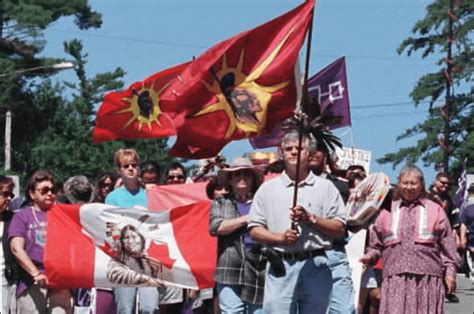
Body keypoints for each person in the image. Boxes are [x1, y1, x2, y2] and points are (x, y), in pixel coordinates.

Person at [248, 130, 347, 313]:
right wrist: (280, 238)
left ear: (309, 153)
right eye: (289, 149)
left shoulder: (326, 188)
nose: (294, 152)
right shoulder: (267, 189)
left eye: (299, 148)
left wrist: (312, 219)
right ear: (281, 153)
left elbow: (340, 228)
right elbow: (254, 229)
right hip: (281, 265)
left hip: (316, 264)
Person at [360, 165, 460, 314]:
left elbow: (447, 246)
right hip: (395, 280)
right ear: (398, 184)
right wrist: (369, 257)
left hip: (428, 281)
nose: (409, 187)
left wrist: (450, 273)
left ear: (422, 185)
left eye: (413, 183)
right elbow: (376, 246)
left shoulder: (435, 210)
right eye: (405, 183)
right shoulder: (386, 211)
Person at [9, 170, 73, 313]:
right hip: (32, 281)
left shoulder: (64, 215)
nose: (50, 193)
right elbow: (16, 248)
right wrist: (35, 273)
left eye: (53, 190)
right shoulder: (22, 216)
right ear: (32, 194)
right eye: (44, 190)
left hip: (60, 281)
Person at [106, 148, 159, 314]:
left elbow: (159, 224)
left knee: (149, 307)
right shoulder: (112, 197)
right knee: (125, 309)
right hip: (123, 262)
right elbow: (109, 229)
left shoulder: (151, 195)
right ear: (119, 170)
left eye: (134, 165)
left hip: (148, 260)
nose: (130, 168)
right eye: (125, 165)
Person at [209, 157, 265, 313]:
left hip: (259, 267)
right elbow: (216, 227)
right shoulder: (220, 203)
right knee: (231, 311)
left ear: (253, 179)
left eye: (246, 174)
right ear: (230, 180)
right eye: (237, 174)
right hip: (230, 266)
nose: (242, 177)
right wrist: (248, 218)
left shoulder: (263, 202)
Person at [308, 141, 355, 314]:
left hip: (334, 252)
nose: (313, 153)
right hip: (305, 254)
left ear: (326, 156)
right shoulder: (291, 186)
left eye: (318, 149)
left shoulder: (341, 186)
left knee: (344, 309)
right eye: (309, 149)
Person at [427, 172, 460, 303]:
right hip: (428, 234)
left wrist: (455, 233)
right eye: (442, 182)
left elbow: (454, 217)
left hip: (444, 235)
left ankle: (448, 289)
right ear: (436, 181)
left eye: (448, 184)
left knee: (449, 261)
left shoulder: (449, 199)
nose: (445, 186)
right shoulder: (426, 195)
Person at [0, 175, 19, 314]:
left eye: (11, 195)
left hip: (7, 280)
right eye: (5, 194)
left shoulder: (13, 219)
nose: (9, 199)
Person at [460, 183, 474, 280]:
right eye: (471, 192)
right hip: (472, 238)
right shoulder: (466, 208)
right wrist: (462, 238)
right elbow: (463, 224)